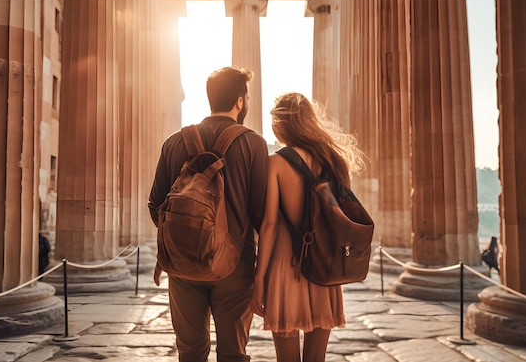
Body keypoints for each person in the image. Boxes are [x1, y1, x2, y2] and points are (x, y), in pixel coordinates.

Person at [148, 66, 269, 362]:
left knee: (190, 353)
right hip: (235, 268)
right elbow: (263, 217)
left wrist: (180, 243)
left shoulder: (174, 142)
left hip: (182, 266)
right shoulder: (253, 144)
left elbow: (155, 205)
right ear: (240, 101)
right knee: (233, 354)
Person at [251, 92, 366, 362]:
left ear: (280, 123)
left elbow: (268, 225)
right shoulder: (334, 161)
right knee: (317, 358)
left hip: (284, 267)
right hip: (324, 266)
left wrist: (258, 278)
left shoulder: (276, 162)